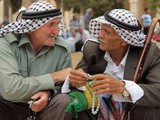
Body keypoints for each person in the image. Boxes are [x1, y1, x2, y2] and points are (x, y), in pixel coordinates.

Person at [69, 9, 160, 120]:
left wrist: (123, 89)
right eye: (101, 29)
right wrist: (76, 79)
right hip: (97, 111)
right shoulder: (92, 50)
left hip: (134, 112)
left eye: (107, 32)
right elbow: (77, 76)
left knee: (150, 111)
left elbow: (157, 91)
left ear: (124, 40)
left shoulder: (148, 54)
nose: (100, 35)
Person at [0, 1, 72, 120]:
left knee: (64, 100)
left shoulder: (62, 49)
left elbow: (66, 87)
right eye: (51, 25)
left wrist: (49, 94)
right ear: (32, 27)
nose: (56, 31)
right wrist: (55, 76)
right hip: (7, 109)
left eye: (57, 24)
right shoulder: (6, 44)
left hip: (44, 110)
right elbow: (11, 90)